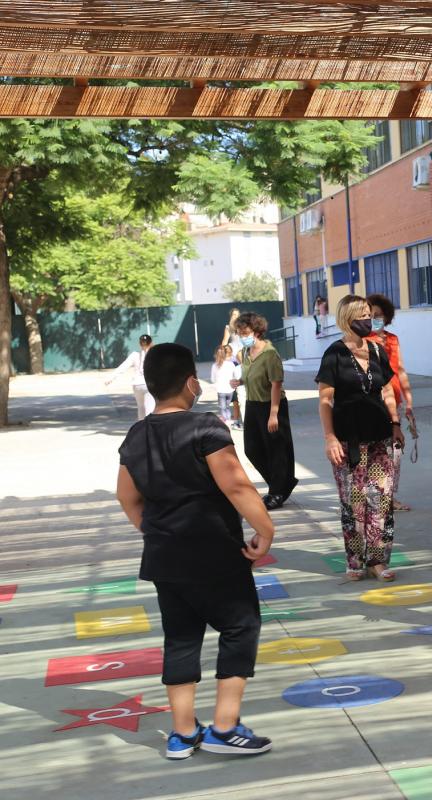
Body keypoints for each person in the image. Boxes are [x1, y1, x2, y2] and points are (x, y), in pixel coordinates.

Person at [114, 343, 274, 759]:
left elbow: (126, 496)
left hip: (165, 559)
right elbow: (236, 485)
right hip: (216, 551)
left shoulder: (136, 435)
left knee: (181, 638)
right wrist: (265, 529)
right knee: (241, 628)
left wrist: (155, 532)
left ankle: (183, 733)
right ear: (190, 383)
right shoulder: (206, 427)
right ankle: (224, 726)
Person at [317, 295, 405, 582]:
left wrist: (395, 423)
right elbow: (325, 400)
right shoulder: (334, 354)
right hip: (348, 442)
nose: (368, 320)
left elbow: (388, 392)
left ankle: (378, 560)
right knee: (353, 503)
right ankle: (355, 560)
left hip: (380, 438)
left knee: (381, 500)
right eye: (363, 315)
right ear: (346, 318)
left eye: (370, 314)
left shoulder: (378, 351)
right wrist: (329, 437)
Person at [233, 312, 297, 509]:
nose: (242, 336)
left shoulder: (270, 354)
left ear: (257, 331)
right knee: (251, 449)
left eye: (245, 332)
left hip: (271, 405)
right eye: (239, 332)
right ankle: (282, 484)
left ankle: (277, 492)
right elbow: (251, 374)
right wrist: (241, 381)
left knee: (276, 450)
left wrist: (273, 414)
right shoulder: (245, 353)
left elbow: (276, 384)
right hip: (252, 404)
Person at [366, 293, 417, 512]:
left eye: (379, 315)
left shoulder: (393, 339)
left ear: (387, 317)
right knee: (375, 453)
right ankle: (373, 497)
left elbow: (401, 370)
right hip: (372, 405)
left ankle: (389, 496)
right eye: (370, 315)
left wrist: (409, 402)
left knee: (395, 453)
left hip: (393, 403)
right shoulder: (364, 341)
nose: (374, 319)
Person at [106, 334, 156, 420]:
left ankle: (141, 429)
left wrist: (111, 378)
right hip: (148, 384)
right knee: (150, 409)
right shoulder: (154, 355)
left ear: (140, 344)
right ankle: (149, 429)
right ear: (151, 343)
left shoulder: (134, 355)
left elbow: (123, 367)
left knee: (141, 408)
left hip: (136, 385)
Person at [210, 345, 237, 426]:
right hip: (230, 390)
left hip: (221, 390)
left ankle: (225, 422)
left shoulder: (215, 366)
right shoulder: (231, 364)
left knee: (222, 407)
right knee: (227, 406)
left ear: (216, 354)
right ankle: (227, 420)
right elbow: (234, 376)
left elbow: (212, 379)